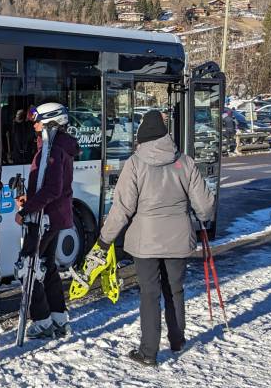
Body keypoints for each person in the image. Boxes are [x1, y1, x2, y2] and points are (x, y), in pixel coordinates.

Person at [90, 110, 215, 366]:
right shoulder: (185, 162)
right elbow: (205, 206)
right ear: (165, 135)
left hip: (144, 242)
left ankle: (148, 352)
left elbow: (122, 208)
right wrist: (200, 219)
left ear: (141, 137)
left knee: (150, 293)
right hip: (179, 239)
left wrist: (105, 240)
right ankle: (177, 340)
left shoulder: (134, 164)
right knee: (175, 290)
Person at [15, 102, 79, 339]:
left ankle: (42, 321)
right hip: (54, 216)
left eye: (38, 119)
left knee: (27, 268)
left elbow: (52, 188)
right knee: (47, 267)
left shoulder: (52, 150)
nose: (34, 124)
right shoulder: (57, 146)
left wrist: (27, 210)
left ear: (51, 122)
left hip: (44, 219)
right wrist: (30, 198)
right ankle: (59, 319)